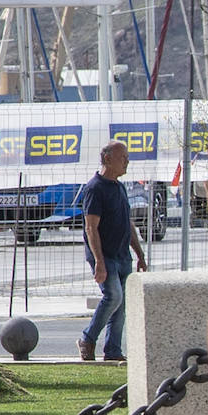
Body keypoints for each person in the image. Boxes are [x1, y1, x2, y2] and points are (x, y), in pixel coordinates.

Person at [78, 141, 147, 362]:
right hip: (104, 255)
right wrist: (99, 261)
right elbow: (91, 227)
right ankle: (87, 339)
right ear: (107, 159)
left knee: (122, 302)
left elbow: (127, 223)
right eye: (123, 157)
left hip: (122, 255)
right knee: (113, 296)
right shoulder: (94, 188)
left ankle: (113, 351)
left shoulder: (119, 187)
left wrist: (140, 254)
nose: (127, 162)